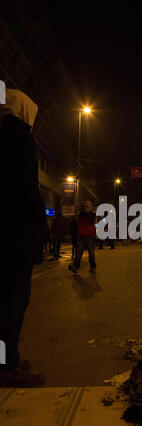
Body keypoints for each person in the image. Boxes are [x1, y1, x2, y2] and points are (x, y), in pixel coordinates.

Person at [0, 89, 45, 387]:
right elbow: (26, 191)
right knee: (13, 301)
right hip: (13, 235)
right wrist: (37, 229)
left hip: (7, 232)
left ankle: (8, 358)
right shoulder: (17, 138)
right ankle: (7, 366)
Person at [69, 201, 96, 273]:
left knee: (91, 252)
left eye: (87, 207)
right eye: (84, 206)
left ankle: (93, 266)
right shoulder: (80, 215)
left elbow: (91, 220)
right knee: (78, 252)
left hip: (89, 235)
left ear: (90, 208)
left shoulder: (92, 215)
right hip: (81, 235)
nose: (85, 208)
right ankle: (76, 267)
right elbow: (77, 225)